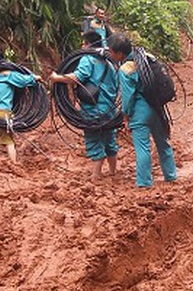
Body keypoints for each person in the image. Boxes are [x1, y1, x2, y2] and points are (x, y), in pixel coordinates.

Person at [106, 33, 177, 188]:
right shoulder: (147, 57)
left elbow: (128, 96)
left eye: (111, 52)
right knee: (163, 143)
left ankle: (144, 182)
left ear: (120, 54)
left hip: (140, 111)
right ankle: (171, 175)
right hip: (157, 108)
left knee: (143, 147)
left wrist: (126, 116)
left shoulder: (126, 69)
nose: (109, 55)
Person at [50, 31, 119, 181]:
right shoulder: (110, 63)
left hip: (93, 109)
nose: (82, 46)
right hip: (109, 109)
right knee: (109, 139)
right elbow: (116, 86)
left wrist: (57, 78)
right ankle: (113, 172)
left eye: (83, 43)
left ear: (88, 44)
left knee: (93, 139)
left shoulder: (87, 59)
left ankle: (96, 175)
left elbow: (77, 77)